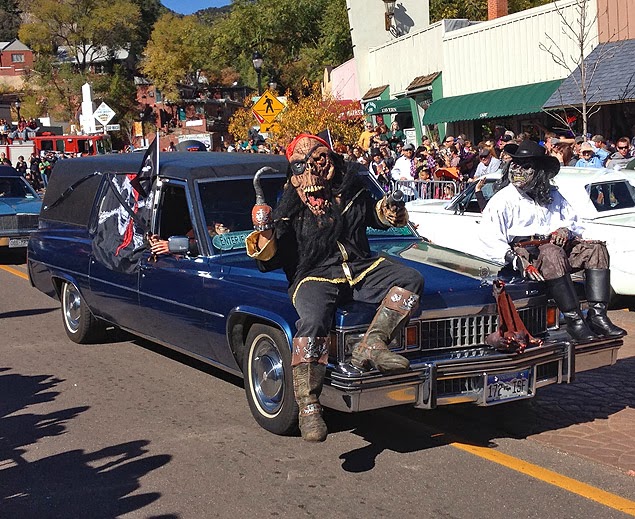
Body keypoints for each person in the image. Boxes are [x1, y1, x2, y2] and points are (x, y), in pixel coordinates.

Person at [246, 133, 423, 442]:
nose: (311, 173)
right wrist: (265, 232)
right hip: (313, 276)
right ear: (293, 176)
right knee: (314, 321)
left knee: (411, 278)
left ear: (333, 163)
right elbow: (269, 260)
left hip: (361, 268)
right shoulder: (288, 210)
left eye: (319, 161)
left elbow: (376, 216)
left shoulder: (352, 193)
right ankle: (308, 405)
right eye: (300, 166)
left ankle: (372, 344)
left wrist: (389, 209)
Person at [478, 139, 626, 343]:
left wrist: (565, 230)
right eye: (515, 164)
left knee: (596, 249)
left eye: (526, 166)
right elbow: (490, 237)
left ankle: (598, 317)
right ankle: (575, 321)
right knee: (551, 252)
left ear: (540, 171)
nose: (518, 170)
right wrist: (515, 260)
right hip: (526, 253)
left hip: (557, 249)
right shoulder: (503, 200)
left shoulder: (552, 194)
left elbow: (574, 222)